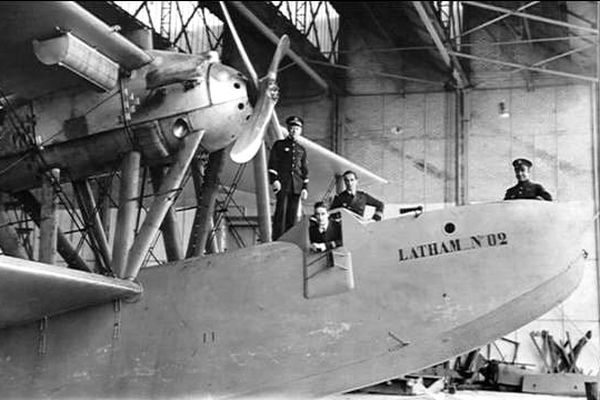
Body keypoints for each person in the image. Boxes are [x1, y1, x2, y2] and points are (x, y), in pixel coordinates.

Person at [268, 115, 309, 240]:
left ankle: (290, 240)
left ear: (300, 131)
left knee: (292, 215)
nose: (294, 131)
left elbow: (304, 170)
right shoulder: (279, 145)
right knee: (281, 213)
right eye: (292, 128)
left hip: (296, 186)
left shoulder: (302, 149)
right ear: (288, 129)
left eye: (297, 128)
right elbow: (273, 164)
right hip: (283, 184)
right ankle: (277, 239)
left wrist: (305, 187)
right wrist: (274, 180)